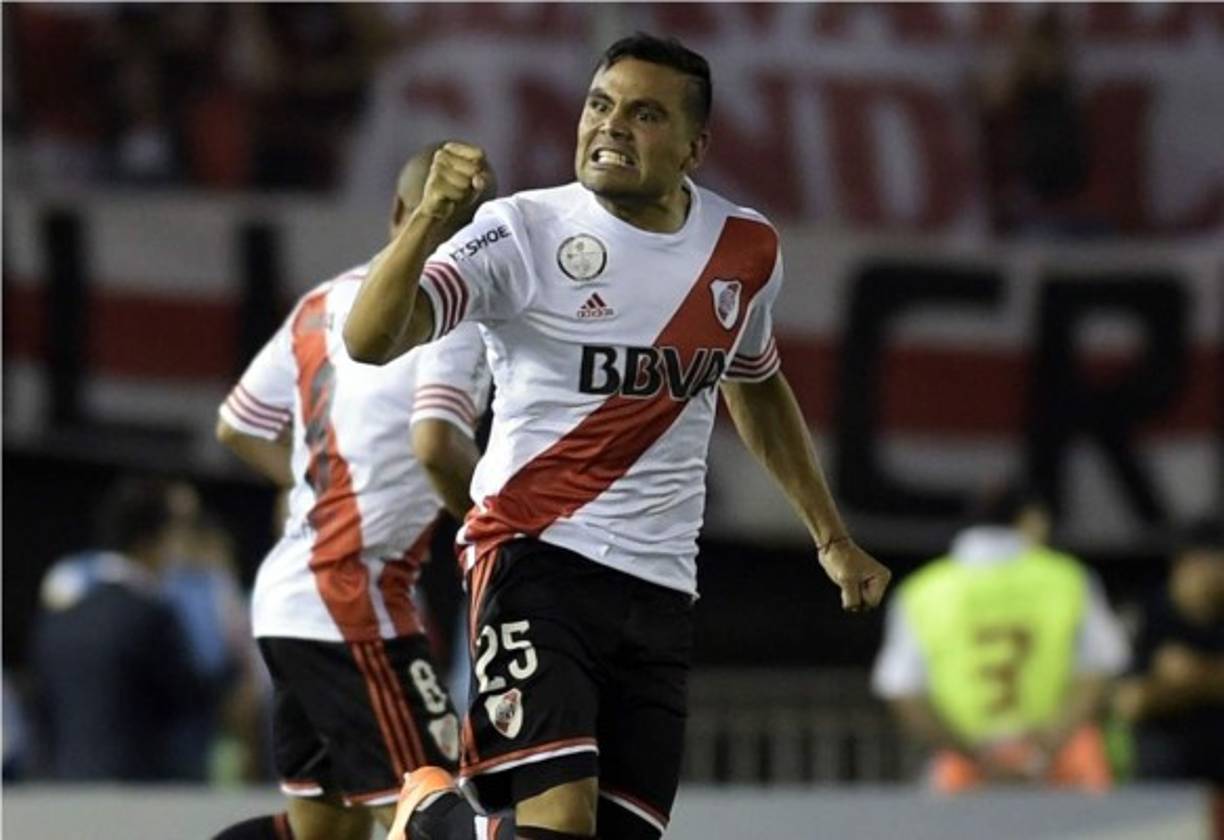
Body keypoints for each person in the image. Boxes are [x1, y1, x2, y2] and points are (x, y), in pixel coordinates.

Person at [344, 33, 890, 840]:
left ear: (695, 146)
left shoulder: (745, 250)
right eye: (601, 105)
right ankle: (429, 818)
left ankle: (443, 825)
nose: (611, 126)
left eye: (645, 114)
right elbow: (369, 340)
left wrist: (830, 536)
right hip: (534, 557)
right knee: (559, 820)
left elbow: (756, 382)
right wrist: (427, 219)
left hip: (663, 585)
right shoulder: (517, 233)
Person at [212, 145, 497, 840]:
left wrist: (307, 485)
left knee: (328, 830)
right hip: (351, 591)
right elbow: (435, 444)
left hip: (290, 592)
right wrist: (505, 535)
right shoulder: (451, 315)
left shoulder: (321, 302)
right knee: (431, 809)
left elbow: (237, 425)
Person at [872, 487, 1130, 793]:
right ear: (1027, 521)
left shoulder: (924, 591)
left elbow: (903, 691)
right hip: (1065, 768)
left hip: (967, 775)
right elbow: (1099, 671)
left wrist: (976, 755)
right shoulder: (1068, 579)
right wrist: (1043, 748)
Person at [30, 477, 209, 781]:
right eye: (171, 538)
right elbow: (188, 703)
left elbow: (41, 708)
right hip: (141, 796)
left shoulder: (59, 619)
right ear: (148, 541)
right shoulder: (151, 617)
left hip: (63, 790)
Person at [1114, 518, 1224, 783]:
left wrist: (1193, 675)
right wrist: (1168, 688)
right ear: (1195, 562)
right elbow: (1127, 704)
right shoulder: (1146, 615)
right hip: (1169, 767)